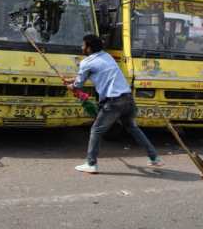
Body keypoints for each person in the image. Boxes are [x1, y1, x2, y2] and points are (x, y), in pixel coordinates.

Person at [65, 34, 163, 174]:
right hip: (128, 99)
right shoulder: (107, 56)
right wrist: (72, 80)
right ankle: (154, 158)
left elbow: (78, 85)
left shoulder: (86, 62)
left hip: (114, 102)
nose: (82, 47)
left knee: (96, 130)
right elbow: (90, 75)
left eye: (83, 45)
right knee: (132, 128)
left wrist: (71, 86)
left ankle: (91, 163)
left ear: (89, 47)